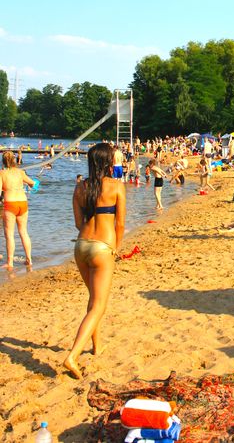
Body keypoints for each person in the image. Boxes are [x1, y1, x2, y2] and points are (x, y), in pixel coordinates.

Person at [63, 143, 126, 379]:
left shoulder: (80, 187)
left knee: (93, 300)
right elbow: (119, 223)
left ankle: (97, 346)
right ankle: (72, 356)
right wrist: (115, 248)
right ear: (110, 162)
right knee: (99, 305)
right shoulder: (116, 186)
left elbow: (78, 223)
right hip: (103, 246)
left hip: (81, 246)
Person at [0, 151, 35, 269]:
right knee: (23, 232)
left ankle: (10, 263)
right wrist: (31, 185)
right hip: (23, 204)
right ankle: (29, 260)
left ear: (3, 161)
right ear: (14, 160)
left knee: (9, 234)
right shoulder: (21, 172)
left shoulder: (1, 173)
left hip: (10, 205)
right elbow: (32, 183)